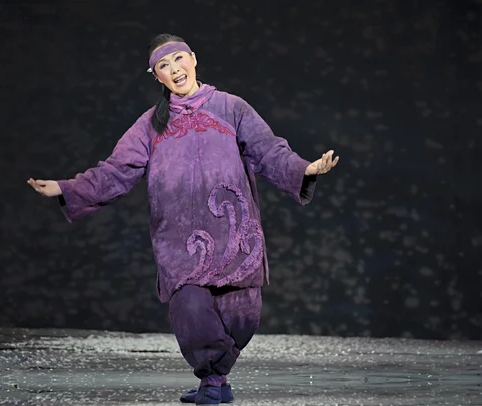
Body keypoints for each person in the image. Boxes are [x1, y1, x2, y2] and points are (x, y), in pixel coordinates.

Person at [28, 33, 339, 405]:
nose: (174, 69)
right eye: (163, 65)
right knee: (192, 313)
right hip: (181, 243)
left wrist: (306, 169)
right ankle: (212, 383)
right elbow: (116, 171)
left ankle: (217, 378)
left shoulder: (231, 107)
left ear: (193, 58)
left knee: (242, 319)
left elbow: (269, 151)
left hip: (236, 238)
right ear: (155, 76)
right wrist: (65, 188)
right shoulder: (149, 125)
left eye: (178, 59)